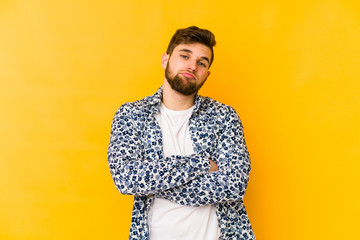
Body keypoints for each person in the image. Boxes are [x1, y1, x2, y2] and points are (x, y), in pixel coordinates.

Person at [107, 26, 255, 240]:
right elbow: (126, 178)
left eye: (201, 63)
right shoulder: (132, 115)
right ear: (165, 60)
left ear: (207, 74)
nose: (192, 66)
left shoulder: (224, 116)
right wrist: (202, 164)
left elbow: (234, 185)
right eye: (185, 55)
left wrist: (153, 183)